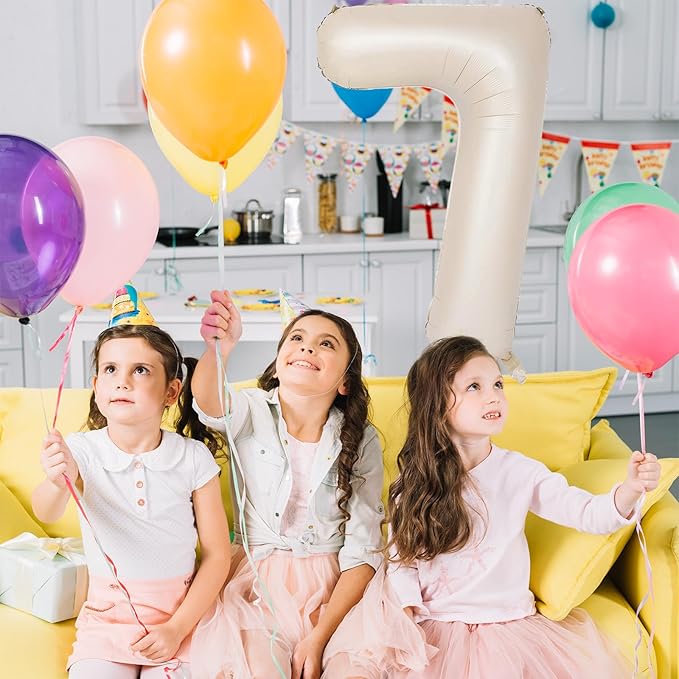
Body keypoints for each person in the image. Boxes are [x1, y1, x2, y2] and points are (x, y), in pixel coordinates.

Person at [323, 335, 661, 678]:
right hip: (432, 623)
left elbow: (587, 514)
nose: (494, 396)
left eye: (498, 384)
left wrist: (630, 490)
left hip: (505, 625)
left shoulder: (521, 473)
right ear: (437, 405)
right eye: (474, 386)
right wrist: (407, 612)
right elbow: (402, 560)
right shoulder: (414, 482)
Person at [32, 285, 231, 679]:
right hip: (107, 620)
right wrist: (56, 480)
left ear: (171, 391)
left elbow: (217, 554)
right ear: (96, 387)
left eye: (140, 370)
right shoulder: (82, 450)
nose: (122, 381)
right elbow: (47, 512)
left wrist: (177, 628)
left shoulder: (192, 457)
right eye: (111, 369)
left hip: (182, 618)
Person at [189, 290, 384, 679]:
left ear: (345, 382)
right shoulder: (251, 410)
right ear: (277, 366)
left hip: (337, 589)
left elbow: (362, 550)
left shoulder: (361, 439)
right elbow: (210, 403)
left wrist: (319, 637)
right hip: (257, 587)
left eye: (326, 344)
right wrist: (218, 350)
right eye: (297, 338)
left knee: (354, 670)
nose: (307, 347)